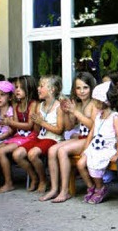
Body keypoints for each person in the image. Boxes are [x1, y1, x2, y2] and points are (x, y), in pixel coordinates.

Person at [40, 72, 98, 203]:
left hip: (92, 139)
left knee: (62, 150)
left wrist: (75, 112)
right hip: (81, 137)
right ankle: (54, 188)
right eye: (78, 88)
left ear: (91, 88)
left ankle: (64, 191)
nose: (81, 91)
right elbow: (69, 127)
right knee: (52, 150)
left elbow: (94, 126)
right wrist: (66, 112)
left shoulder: (94, 104)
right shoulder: (77, 104)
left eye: (85, 87)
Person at [0, 76, 38, 193]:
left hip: (29, 136)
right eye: (16, 87)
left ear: (28, 89)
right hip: (18, 136)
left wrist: (11, 122)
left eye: (20, 88)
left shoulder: (33, 104)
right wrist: (5, 122)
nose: (17, 90)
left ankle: (12, 182)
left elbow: (29, 126)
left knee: (1, 151)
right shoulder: (16, 105)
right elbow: (14, 126)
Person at [12, 75, 65, 193]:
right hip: (40, 137)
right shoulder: (40, 106)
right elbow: (36, 130)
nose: (38, 89)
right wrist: (37, 122)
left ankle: (43, 180)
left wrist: (42, 122)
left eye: (41, 86)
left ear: (52, 89)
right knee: (17, 154)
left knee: (32, 154)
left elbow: (59, 130)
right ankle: (34, 177)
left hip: (54, 139)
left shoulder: (59, 106)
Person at [76, 81, 118, 204]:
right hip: (94, 147)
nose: (94, 103)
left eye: (97, 101)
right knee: (80, 164)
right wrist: (86, 148)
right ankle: (91, 186)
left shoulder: (115, 117)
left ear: (105, 101)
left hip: (106, 148)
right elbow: (92, 133)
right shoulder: (98, 116)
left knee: (94, 165)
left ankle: (100, 188)